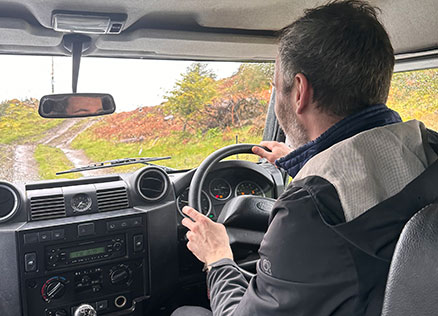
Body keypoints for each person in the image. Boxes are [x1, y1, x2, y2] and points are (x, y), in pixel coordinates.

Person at [172, 0, 438, 315]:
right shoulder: (429, 146)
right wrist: (305, 164)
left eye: (276, 89)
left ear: (299, 92)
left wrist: (217, 257)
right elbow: (366, 192)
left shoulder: (309, 209)